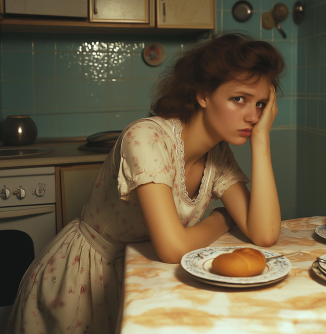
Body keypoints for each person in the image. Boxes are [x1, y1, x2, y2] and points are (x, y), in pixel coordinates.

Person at [6, 32, 285, 334]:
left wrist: (262, 142)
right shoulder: (146, 138)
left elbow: (265, 233)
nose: (252, 116)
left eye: (260, 104)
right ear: (203, 95)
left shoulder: (218, 154)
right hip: (81, 280)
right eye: (239, 99)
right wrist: (222, 217)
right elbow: (173, 247)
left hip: (139, 274)